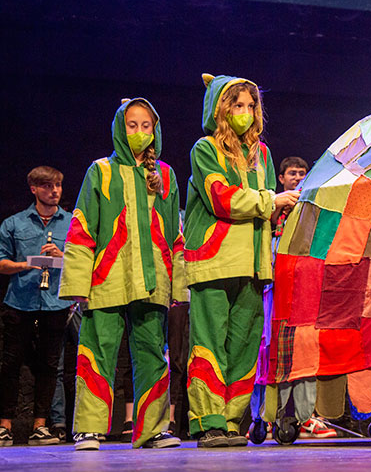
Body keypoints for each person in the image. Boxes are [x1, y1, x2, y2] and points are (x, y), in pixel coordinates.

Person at [59, 99, 184, 451]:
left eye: (146, 126)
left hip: (153, 280)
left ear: (155, 130)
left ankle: (153, 429)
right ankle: (89, 428)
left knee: (152, 353)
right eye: (132, 125)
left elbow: (175, 234)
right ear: (119, 128)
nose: (139, 132)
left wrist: (177, 285)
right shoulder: (100, 171)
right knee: (97, 351)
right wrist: (78, 283)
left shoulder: (165, 175)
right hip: (107, 278)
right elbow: (83, 226)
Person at [184, 74, 298, 448]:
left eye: (251, 105)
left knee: (245, 345)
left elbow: (266, 207)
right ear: (221, 109)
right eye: (237, 105)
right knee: (210, 343)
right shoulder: (205, 149)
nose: (245, 112)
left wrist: (279, 209)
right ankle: (208, 421)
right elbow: (222, 198)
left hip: (253, 264)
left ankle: (232, 421)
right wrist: (271, 201)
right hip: (214, 260)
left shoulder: (261, 154)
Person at [0, 166, 73, 446]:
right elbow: (2, 262)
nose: (54, 191)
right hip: (20, 302)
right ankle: (5, 425)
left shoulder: (71, 223)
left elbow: (84, 261)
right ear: (34, 189)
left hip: (55, 302)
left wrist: (62, 256)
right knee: (11, 364)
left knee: (49, 366)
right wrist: (25, 264)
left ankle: (40, 426)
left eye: (57, 186)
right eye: (47, 186)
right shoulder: (14, 223)